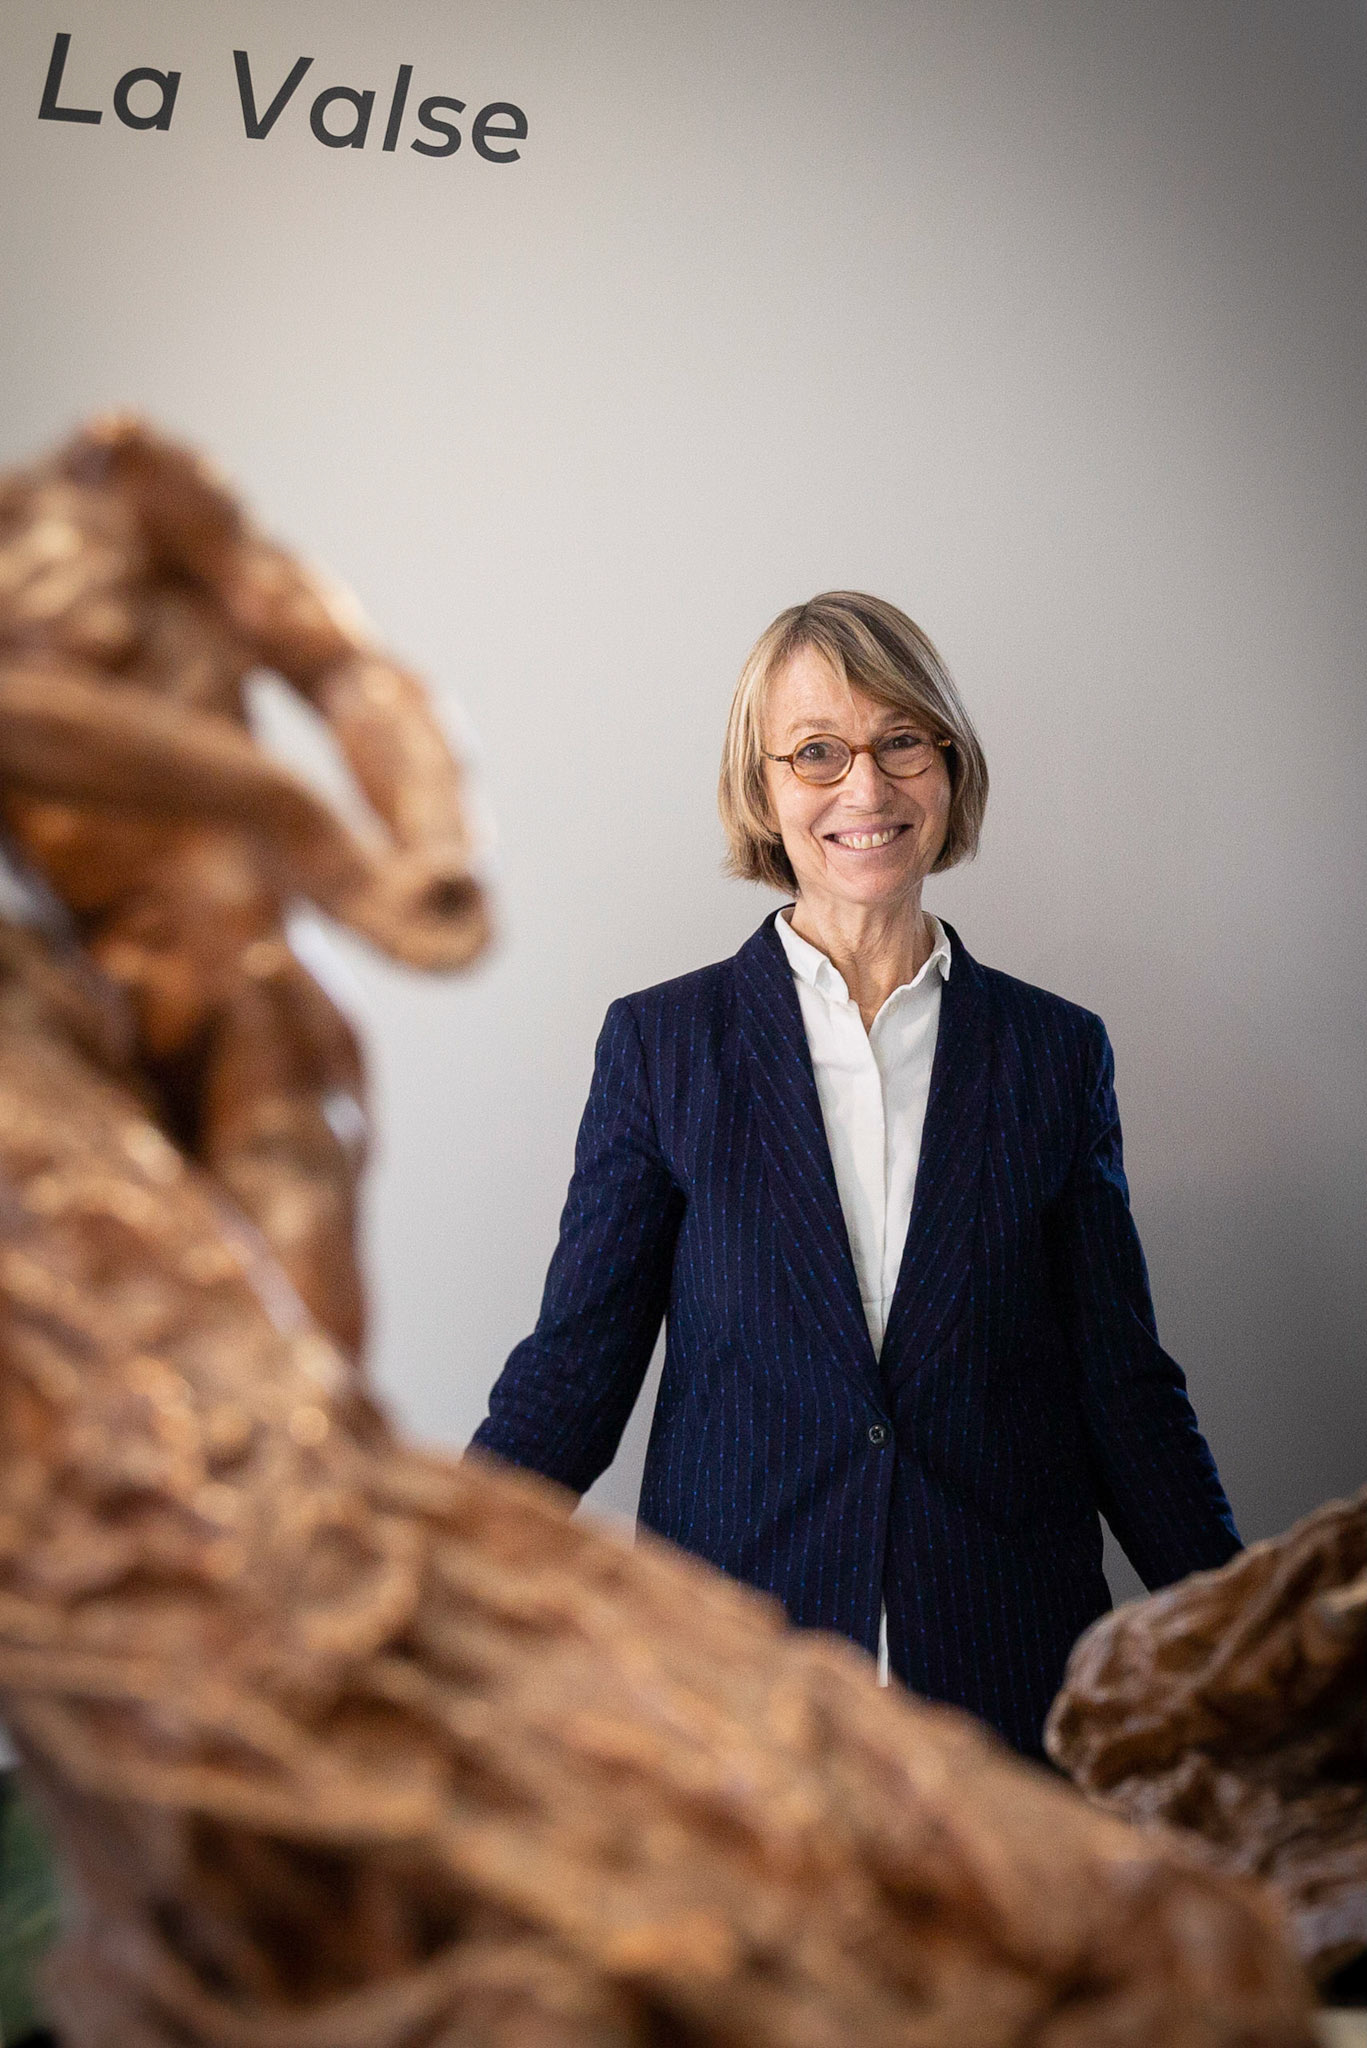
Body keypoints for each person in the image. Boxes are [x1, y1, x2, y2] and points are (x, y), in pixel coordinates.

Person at [472, 591, 1240, 1754]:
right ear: (762, 785)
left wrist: (1256, 1639)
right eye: (817, 752)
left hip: (1004, 1679)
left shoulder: (1052, 1052)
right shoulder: (664, 1046)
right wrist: (417, 1585)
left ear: (946, 764)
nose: (865, 789)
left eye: (899, 742)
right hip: (735, 1691)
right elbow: (575, 1369)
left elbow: (1120, 1386)